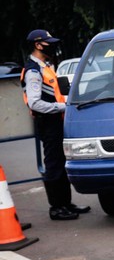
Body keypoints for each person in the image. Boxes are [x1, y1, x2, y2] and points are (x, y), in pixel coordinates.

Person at [20, 29, 91, 221]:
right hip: (48, 122)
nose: (52, 46)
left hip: (56, 121)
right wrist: (63, 107)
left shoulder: (45, 66)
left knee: (61, 162)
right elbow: (34, 103)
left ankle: (66, 204)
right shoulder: (33, 71)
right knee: (53, 164)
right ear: (38, 45)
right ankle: (56, 208)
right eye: (48, 42)